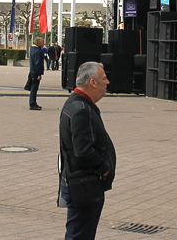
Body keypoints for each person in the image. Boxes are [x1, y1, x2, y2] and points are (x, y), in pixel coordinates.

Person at [58, 61, 115, 240]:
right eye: (104, 78)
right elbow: (83, 151)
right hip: (84, 185)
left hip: (79, 182)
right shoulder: (81, 109)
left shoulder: (76, 103)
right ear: (92, 82)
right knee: (80, 235)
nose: (108, 82)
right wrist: (105, 169)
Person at [27, 36, 45, 110]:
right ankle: (32, 104)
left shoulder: (32, 49)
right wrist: (39, 74)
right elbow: (37, 63)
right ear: (38, 43)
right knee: (34, 88)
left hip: (32, 71)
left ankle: (33, 103)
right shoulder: (37, 51)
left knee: (33, 88)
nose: (43, 43)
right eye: (42, 42)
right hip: (35, 72)